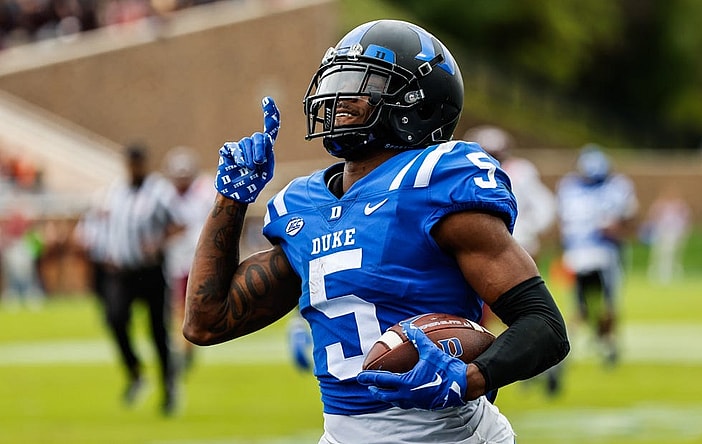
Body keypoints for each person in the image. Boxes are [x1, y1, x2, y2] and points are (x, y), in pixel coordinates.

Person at [183, 19, 569, 443]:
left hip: (447, 435)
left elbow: (544, 325)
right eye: (337, 82)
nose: (339, 98)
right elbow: (206, 322)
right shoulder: (306, 206)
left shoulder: (433, 184)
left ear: (417, 105)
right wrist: (230, 200)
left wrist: (470, 378)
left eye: (363, 84)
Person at [99, 144, 184, 415]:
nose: (132, 169)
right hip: (123, 271)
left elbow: (178, 224)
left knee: (157, 332)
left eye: (136, 164)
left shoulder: (158, 191)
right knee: (115, 318)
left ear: (144, 164)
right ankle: (135, 372)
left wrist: (158, 244)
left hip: (151, 271)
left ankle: (168, 387)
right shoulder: (117, 190)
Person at [555, 144, 638, 367]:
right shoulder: (616, 187)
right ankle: (606, 345)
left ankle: (582, 345)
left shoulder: (569, 188)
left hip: (580, 254)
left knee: (587, 305)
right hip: (600, 254)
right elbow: (627, 221)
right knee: (604, 303)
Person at [462, 125, 556, 260]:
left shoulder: (521, 171)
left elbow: (545, 205)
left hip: (518, 240)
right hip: (482, 240)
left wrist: (527, 227)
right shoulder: (468, 172)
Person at [162, 146, 214, 373]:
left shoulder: (204, 191)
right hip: (175, 258)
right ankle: (184, 345)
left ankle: (185, 345)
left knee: (191, 304)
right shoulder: (164, 194)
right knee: (177, 305)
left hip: (197, 256)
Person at [641, 186, 691, 285]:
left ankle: (671, 275)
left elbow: (685, 220)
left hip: (674, 233)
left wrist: (683, 233)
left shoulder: (680, 206)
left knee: (672, 255)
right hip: (661, 232)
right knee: (658, 255)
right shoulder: (660, 205)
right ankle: (657, 274)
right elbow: (653, 218)